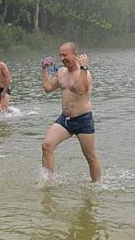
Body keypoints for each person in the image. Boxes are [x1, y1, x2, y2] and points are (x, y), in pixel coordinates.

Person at [41, 42, 101, 183]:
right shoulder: (61, 72)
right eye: (60, 55)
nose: (62, 58)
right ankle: (48, 182)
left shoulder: (84, 73)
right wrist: (43, 69)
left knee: (90, 157)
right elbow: (48, 88)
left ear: (75, 55)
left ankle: (97, 186)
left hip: (83, 120)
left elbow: (81, 90)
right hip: (65, 120)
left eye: (65, 55)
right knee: (47, 145)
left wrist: (84, 67)